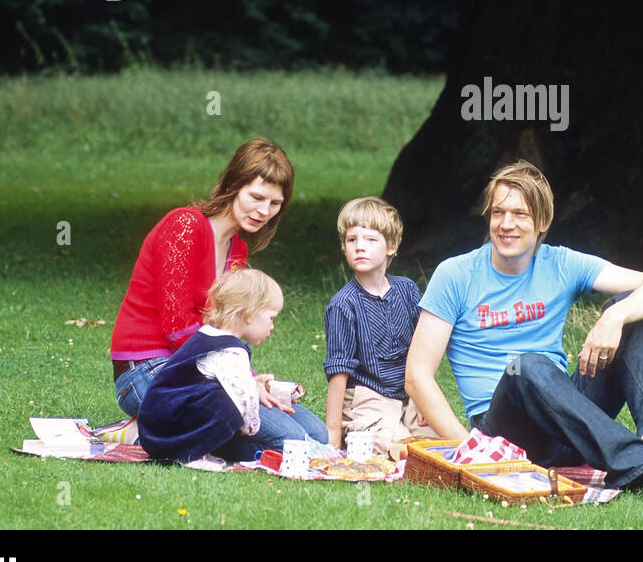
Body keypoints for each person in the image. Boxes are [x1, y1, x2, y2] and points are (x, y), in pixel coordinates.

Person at [405, 160, 643, 507]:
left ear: (542, 222)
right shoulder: (455, 275)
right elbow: (417, 376)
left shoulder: (560, 263)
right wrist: (472, 449)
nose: (506, 224)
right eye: (498, 212)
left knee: (632, 309)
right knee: (526, 366)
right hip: (507, 429)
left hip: (567, 420)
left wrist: (614, 317)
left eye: (520, 214)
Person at [108, 137, 327, 444]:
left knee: (317, 433)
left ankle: (154, 435)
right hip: (147, 369)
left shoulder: (236, 251)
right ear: (233, 185)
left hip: (197, 368)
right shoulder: (184, 226)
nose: (264, 211)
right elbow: (177, 328)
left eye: (275, 204)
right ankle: (143, 432)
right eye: (256, 197)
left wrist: (248, 380)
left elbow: (224, 329)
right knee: (292, 440)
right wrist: (241, 381)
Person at [322, 197, 438, 454]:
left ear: (391, 246)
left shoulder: (407, 290)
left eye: (370, 240)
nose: (359, 247)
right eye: (352, 240)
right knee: (397, 447)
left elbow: (423, 351)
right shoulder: (343, 305)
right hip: (368, 399)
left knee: (439, 443)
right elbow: (338, 372)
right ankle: (381, 438)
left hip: (409, 395)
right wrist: (333, 432)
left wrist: (423, 399)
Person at [138, 269, 291, 462]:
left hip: (160, 424)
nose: (272, 327)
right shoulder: (230, 351)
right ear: (250, 315)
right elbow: (247, 397)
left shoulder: (207, 335)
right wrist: (250, 428)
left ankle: (203, 449)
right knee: (230, 404)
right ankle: (194, 454)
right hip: (172, 430)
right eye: (271, 318)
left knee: (224, 399)